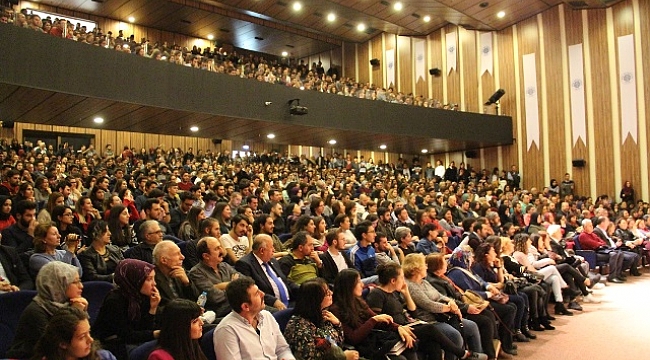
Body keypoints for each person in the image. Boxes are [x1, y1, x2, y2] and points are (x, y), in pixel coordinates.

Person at [366, 263, 487, 360]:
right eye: (401, 277)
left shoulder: (394, 293)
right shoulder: (377, 294)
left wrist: (406, 293)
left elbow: (412, 311)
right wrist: (399, 328)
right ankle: (463, 354)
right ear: (393, 280)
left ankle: (464, 354)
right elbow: (378, 320)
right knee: (430, 329)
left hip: (407, 326)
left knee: (433, 345)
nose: (404, 280)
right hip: (395, 332)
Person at [402, 253, 489, 359]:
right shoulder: (411, 286)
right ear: (416, 269)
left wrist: (452, 303)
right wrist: (450, 308)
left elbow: (440, 296)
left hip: (441, 315)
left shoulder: (423, 282)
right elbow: (428, 305)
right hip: (428, 321)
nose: (426, 266)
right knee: (455, 336)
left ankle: (475, 356)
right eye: (423, 265)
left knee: (472, 326)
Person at [7, 262, 88, 359]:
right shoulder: (36, 311)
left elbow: (85, 342)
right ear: (58, 284)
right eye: (75, 282)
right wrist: (75, 316)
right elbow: (55, 347)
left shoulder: (71, 303)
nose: (81, 286)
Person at [93, 259, 161, 359]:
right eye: (149, 279)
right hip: (114, 345)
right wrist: (155, 334)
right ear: (135, 279)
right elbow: (126, 336)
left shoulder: (142, 295)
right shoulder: (114, 301)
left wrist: (153, 308)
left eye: (153, 278)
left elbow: (144, 328)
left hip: (133, 342)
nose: (154, 284)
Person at [214, 277, 295, 360]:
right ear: (246, 306)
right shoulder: (227, 330)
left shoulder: (267, 316)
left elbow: (282, 349)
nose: (263, 294)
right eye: (257, 294)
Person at [284, 278, 360, 360]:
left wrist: (337, 324)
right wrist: (343, 357)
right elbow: (310, 357)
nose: (332, 293)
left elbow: (338, 343)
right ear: (315, 299)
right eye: (327, 293)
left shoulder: (324, 314)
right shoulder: (298, 328)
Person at [235, 234, 299, 311]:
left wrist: (302, 288)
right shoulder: (244, 264)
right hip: (269, 306)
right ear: (262, 250)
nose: (274, 250)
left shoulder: (272, 260)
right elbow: (252, 291)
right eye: (272, 247)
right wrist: (273, 301)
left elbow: (283, 280)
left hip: (291, 301)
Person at [32, 306, 116, 360]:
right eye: (82, 337)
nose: (90, 340)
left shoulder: (104, 357)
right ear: (63, 344)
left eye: (89, 332)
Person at [188, 237, 241, 318]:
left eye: (220, 247)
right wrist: (233, 285)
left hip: (235, 306)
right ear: (206, 256)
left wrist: (221, 286)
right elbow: (214, 297)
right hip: (218, 311)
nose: (222, 251)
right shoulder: (196, 272)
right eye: (217, 249)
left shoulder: (225, 266)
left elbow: (246, 282)